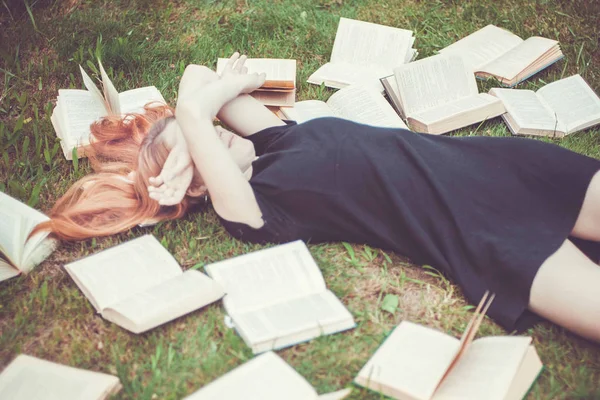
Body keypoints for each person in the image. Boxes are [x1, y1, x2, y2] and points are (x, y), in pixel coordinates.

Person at [33, 53, 600, 343]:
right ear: (202, 182)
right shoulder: (255, 210)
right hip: (479, 234)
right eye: (206, 136)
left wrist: (195, 126)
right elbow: (193, 102)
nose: (216, 126)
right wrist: (191, 125)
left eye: (209, 125)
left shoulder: (276, 137)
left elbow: (195, 73)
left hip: (508, 170)